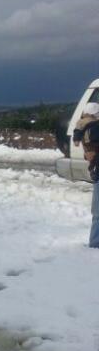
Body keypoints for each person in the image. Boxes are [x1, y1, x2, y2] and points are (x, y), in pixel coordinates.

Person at [74, 102, 99, 247]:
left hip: (95, 168)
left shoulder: (83, 125)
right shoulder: (94, 127)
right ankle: (95, 243)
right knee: (98, 213)